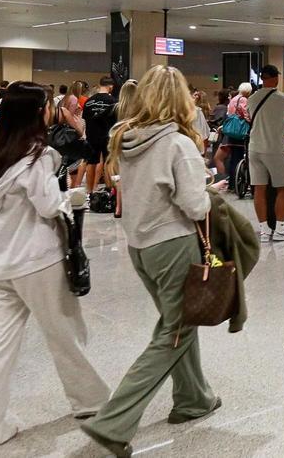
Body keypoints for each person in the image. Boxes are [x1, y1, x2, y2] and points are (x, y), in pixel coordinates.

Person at [0, 82, 110, 452]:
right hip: (37, 262)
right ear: (35, 112)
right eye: (47, 106)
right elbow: (47, 206)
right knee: (65, 335)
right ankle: (92, 402)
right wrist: (67, 199)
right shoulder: (35, 156)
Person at [80, 66, 219, 456]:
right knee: (173, 333)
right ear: (180, 100)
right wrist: (210, 192)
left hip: (140, 246)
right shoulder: (177, 144)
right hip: (174, 244)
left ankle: (194, 399)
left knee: (178, 324)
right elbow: (193, 204)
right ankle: (113, 422)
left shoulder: (126, 137)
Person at [247, 65, 284, 241]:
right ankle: (280, 228)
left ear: (262, 78)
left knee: (259, 188)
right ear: (275, 78)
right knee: (283, 188)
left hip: (254, 148)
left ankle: (264, 230)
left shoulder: (252, 99)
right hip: (274, 149)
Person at [80, 77, 117, 194]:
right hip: (107, 135)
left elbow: (85, 118)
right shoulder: (113, 101)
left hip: (92, 135)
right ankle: (108, 190)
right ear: (110, 86)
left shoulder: (89, 101)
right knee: (107, 162)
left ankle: (89, 191)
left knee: (91, 162)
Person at [214, 83, 251, 177]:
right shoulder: (243, 99)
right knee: (237, 158)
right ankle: (235, 181)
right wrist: (250, 121)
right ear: (248, 91)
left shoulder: (233, 99)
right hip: (239, 131)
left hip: (231, 132)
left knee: (232, 159)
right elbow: (246, 114)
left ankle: (229, 182)